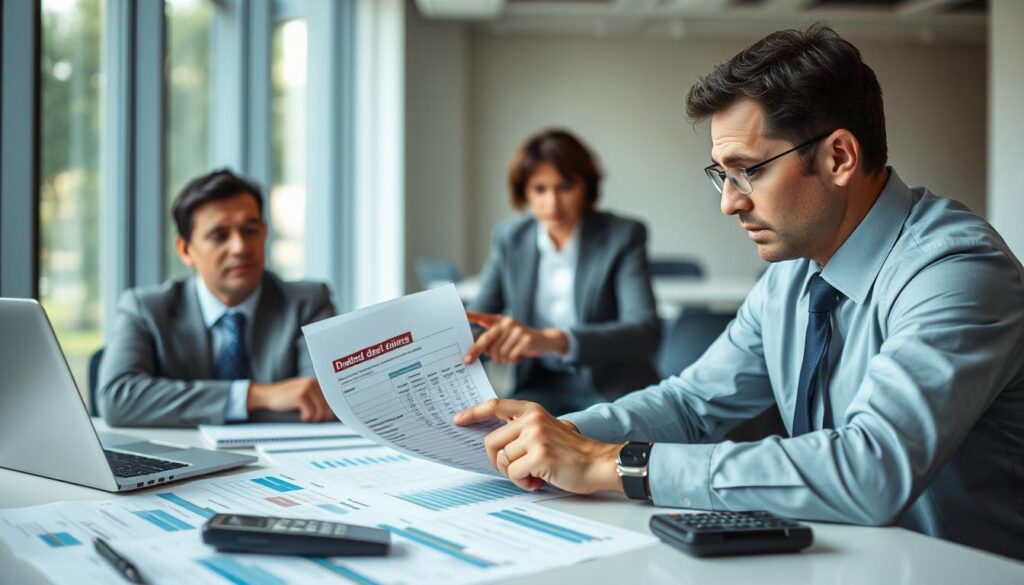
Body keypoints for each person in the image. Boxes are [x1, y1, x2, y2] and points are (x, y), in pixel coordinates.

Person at [455, 24, 1024, 560]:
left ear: (839, 157)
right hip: (843, 559)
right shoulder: (791, 275)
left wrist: (615, 464)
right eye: (720, 174)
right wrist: (566, 435)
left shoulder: (956, 271)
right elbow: (690, 404)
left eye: (747, 170)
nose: (729, 202)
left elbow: (867, 470)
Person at [98, 169, 337, 427]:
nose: (240, 247)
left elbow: (321, 401)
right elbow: (118, 398)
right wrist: (254, 396)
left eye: (250, 230)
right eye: (219, 236)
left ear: (265, 233)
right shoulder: (145, 308)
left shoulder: (307, 302)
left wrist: (172, 407)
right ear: (185, 249)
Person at [464, 129, 661, 416]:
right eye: (540, 189)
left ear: (586, 187)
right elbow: (479, 319)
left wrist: (554, 340)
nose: (552, 203)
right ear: (524, 192)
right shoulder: (510, 238)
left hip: (610, 387)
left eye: (565, 187)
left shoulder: (623, 235)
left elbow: (645, 332)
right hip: (540, 386)